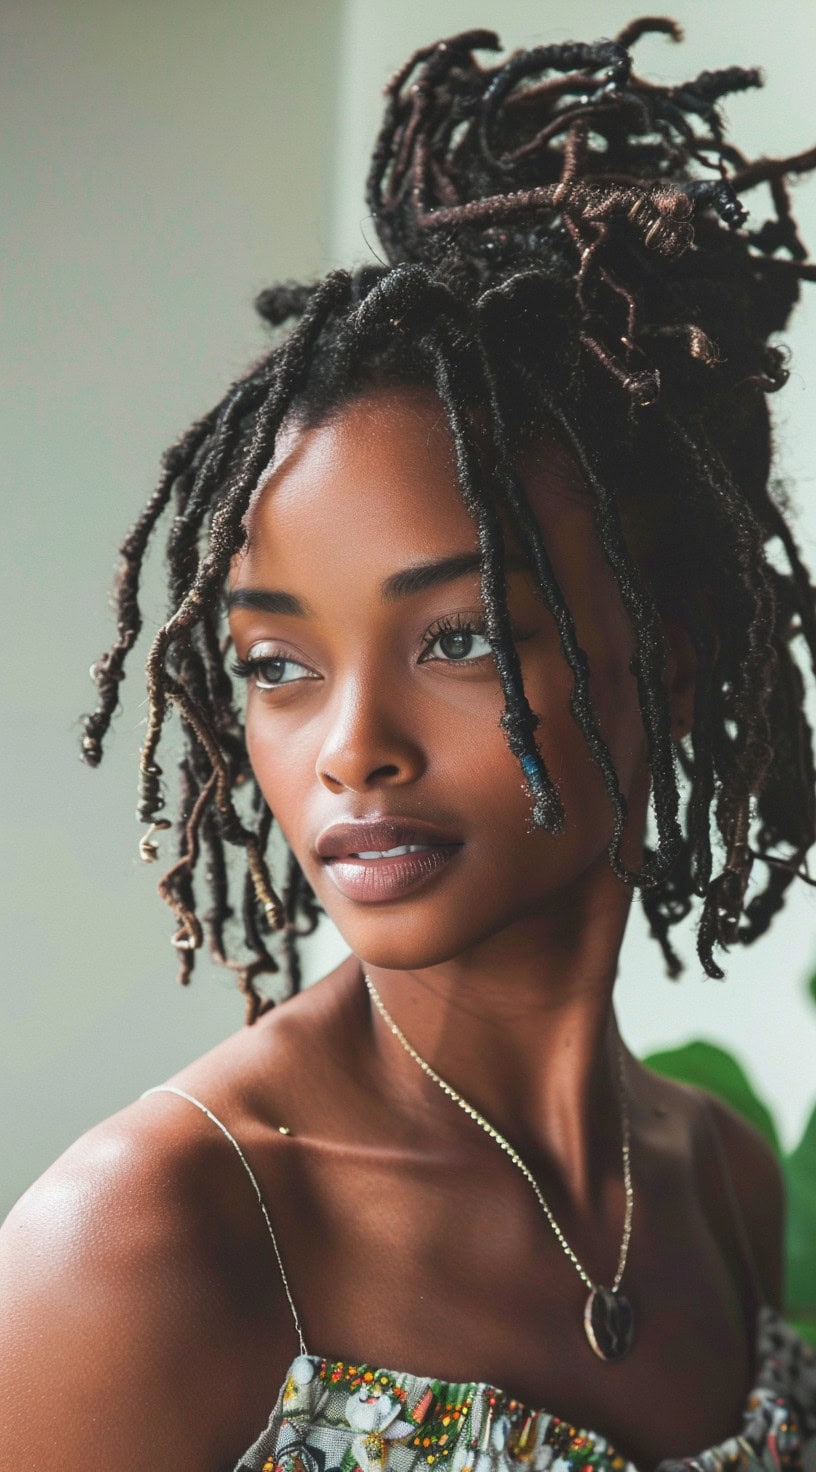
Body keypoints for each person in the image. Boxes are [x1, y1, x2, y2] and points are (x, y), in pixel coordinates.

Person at [2, 18, 816, 1471]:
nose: (348, 749)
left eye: (461, 640)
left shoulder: (719, 1184)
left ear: (673, 663)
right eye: (278, 666)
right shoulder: (149, 1244)